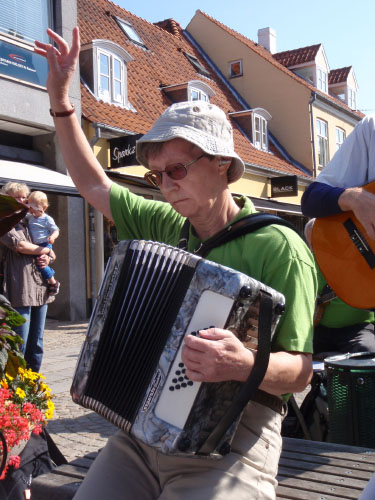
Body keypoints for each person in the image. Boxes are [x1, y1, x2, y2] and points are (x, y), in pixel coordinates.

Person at [34, 27, 317, 500]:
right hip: (143, 433)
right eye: (158, 174)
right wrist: (62, 100)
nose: (166, 184)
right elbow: (92, 184)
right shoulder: (168, 224)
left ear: (223, 165)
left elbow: (302, 370)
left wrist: (244, 362)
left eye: (179, 170)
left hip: (235, 433)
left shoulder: (279, 246)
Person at [0, 182, 56, 373]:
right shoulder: (5, 221)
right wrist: (45, 250)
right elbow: (20, 245)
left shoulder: (31, 220)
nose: (22, 201)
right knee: (19, 341)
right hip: (19, 288)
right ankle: (17, 386)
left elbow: (49, 246)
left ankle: (33, 382)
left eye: (24, 197)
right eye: (16, 198)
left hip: (39, 286)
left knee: (37, 342)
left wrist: (48, 255)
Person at [304, 219, 375, 357]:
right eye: (312, 244)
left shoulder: (359, 259)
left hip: (358, 328)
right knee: (292, 351)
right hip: (320, 329)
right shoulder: (308, 262)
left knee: (368, 352)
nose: (315, 248)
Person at [301, 115, 375, 239]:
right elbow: (311, 199)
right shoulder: (371, 128)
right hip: (361, 256)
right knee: (311, 228)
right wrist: (354, 198)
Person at [26, 190, 60, 296]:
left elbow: (56, 230)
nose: (31, 210)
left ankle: (53, 282)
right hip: (35, 244)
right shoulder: (30, 217)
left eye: (34, 209)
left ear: (43, 208)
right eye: (30, 207)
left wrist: (52, 237)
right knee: (39, 264)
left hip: (44, 243)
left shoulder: (47, 219)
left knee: (41, 264)